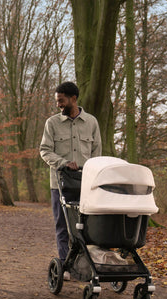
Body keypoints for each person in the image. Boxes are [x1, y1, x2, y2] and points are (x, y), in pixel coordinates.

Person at [39, 81, 102, 280]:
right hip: (60, 184)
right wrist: (63, 162)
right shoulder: (52, 123)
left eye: (61, 101)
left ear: (73, 99)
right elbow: (45, 151)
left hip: (86, 185)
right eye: (57, 101)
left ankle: (84, 263)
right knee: (62, 225)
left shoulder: (91, 122)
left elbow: (96, 153)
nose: (58, 104)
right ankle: (66, 265)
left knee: (86, 226)